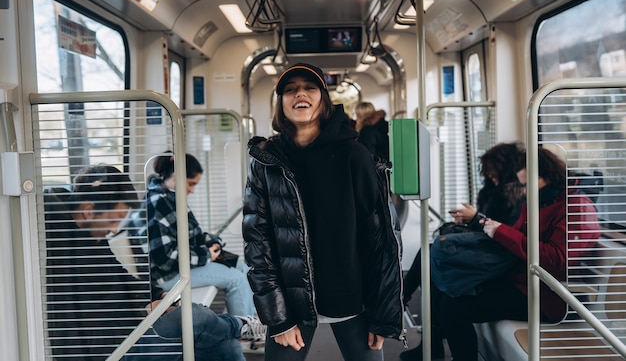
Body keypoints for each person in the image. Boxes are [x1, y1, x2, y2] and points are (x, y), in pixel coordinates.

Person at [242, 63, 404, 361]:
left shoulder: (354, 156)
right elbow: (258, 243)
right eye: (289, 89)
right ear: (281, 103)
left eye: (310, 87)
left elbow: (381, 239)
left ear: (323, 100)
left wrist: (384, 314)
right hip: (292, 303)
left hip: (353, 297)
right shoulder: (266, 162)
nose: (300, 93)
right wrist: (277, 317)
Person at [44, 164, 264, 361]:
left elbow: (120, 275)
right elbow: (84, 329)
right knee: (196, 320)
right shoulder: (64, 248)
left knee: (211, 334)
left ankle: (236, 327)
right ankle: (239, 325)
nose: (113, 230)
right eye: (112, 220)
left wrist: (156, 296)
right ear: (89, 210)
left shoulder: (90, 233)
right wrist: (144, 314)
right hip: (118, 348)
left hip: (133, 329)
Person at [436, 147, 600, 361]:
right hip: (524, 282)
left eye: (525, 185)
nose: (523, 192)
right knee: (450, 290)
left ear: (545, 177)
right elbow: (518, 238)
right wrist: (486, 226)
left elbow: (557, 261)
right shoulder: (540, 203)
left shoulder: (576, 208)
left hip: (549, 297)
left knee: (454, 308)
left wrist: (499, 230)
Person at [400, 141, 527, 361]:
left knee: (434, 262)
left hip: (502, 260)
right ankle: (428, 342)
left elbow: (505, 233)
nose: (492, 178)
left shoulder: (518, 197)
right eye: (489, 174)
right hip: (491, 251)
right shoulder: (493, 192)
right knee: (432, 262)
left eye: (494, 173)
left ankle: (401, 302)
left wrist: (476, 220)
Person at [145, 152, 257, 317]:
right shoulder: (157, 203)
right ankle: (243, 329)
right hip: (167, 275)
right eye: (190, 184)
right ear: (177, 176)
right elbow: (164, 259)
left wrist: (210, 243)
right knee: (236, 280)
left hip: (182, 265)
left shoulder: (172, 198)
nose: (192, 190)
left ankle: (254, 319)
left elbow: (192, 234)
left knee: (242, 268)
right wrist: (206, 254)